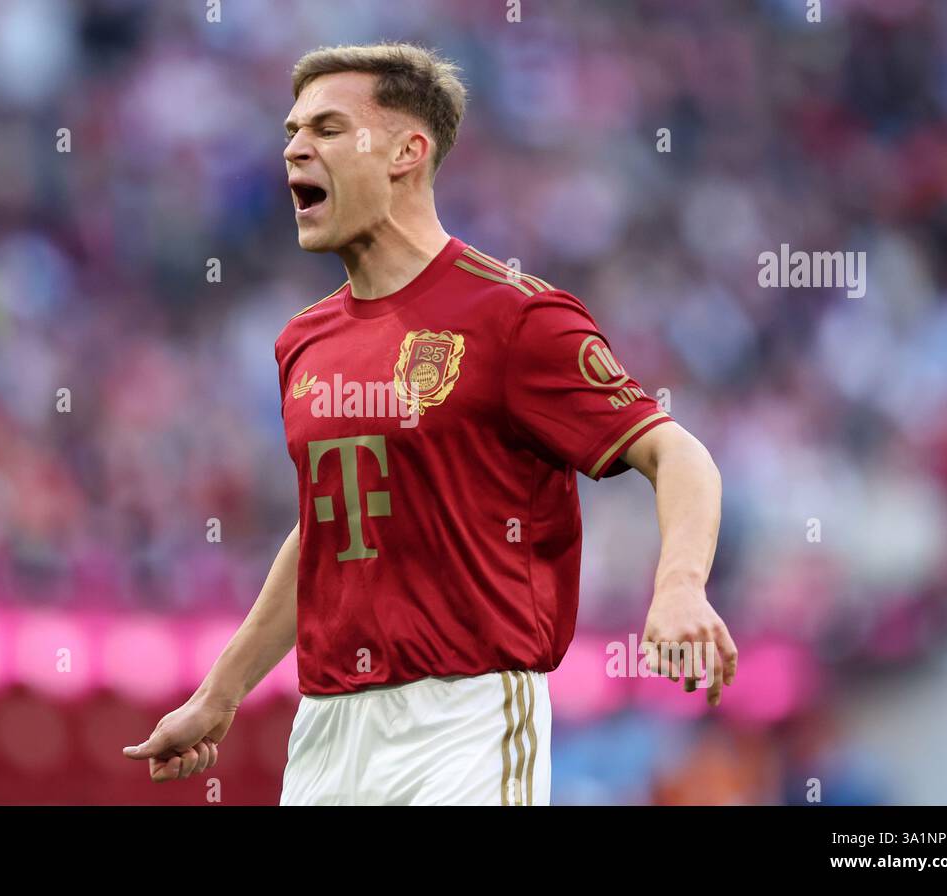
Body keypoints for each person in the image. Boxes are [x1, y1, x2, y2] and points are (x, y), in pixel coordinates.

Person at [125, 42, 737, 805]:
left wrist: (680, 586)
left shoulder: (516, 318)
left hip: (466, 716)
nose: (294, 149)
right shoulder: (303, 342)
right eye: (290, 131)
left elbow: (676, 454)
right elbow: (328, 528)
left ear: (407, 153)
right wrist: (220, 695)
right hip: (326, 730)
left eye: (327, 127)